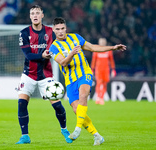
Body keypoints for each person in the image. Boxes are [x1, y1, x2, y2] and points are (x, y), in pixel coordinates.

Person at [49, 17, 126, 145]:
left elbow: (92, 47)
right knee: (76, 109)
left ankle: (77, 129)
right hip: (70, 80)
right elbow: (63, 62)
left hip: (84, 73)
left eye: (62, 28)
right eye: (58, 29)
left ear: (66, 28)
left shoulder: (76, 37)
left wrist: (112, 48)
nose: (61, 31)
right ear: (53, 30)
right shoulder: (53, 47)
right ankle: (97, 136)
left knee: (83, 95)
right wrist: (72, 53)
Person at [15, 5, 72, 144]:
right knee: (22, 103)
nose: (35, 15)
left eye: (37, 13)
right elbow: (28, 55)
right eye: (32, 13)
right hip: (28, 74)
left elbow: (61, 45)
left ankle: (64, 129)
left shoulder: (51, 32)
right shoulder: (24, 33)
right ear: (30, 16)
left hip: (46, 75)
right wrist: (43, 55)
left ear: (42, 15)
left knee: (57, 105)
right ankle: (25, 136)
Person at [91, 38, 116, 105]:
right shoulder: (96, 50)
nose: (102, 43)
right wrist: (92, 69)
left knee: (104, 84)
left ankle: (101, 98)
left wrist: (113, 70)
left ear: (105, 42)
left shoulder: (108, 50)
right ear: (99, 43)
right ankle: (98, 98)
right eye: (101, 42)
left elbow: (111, 61)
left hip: (106, 70)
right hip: (98, 70)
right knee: (99, 83)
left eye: (103, 42)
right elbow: (93, 61)